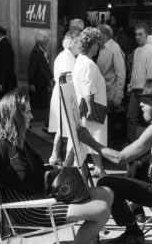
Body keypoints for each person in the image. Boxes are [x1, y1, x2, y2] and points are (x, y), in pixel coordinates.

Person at [0, 92, 115, 244]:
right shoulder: (5, 146)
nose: (31, 116)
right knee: (102, 209)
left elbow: (36, 170)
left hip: (40, 196)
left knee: (107, 193)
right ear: (15, 116)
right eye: (27, 112)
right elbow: (27, 183)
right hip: (28, 210)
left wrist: (58, 172)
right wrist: (57, 178)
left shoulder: (16, 139)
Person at [78, 79, 152, 244]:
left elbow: (119, 158)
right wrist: (138, 163)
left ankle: (133, 233)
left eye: (145, 101)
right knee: (133, 161)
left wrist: (89, 141)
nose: (140, 104)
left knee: (105, 183)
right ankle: (136, 212)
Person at [73, 27, 108, 177]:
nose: (99, 47)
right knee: (93, 138)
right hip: (91, 107)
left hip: (84, 106)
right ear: (91, 43)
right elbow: (89, 89)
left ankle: (97, 167)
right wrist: (91, 110)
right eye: (97, 44)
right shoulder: (88, 64)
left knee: (90, 138)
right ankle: (77, 169)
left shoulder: (80, 60)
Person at [48, 31, 80, 165]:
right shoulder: (67, 57)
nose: (80, 45)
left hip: (62, 93)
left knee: (63, 128)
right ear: (72, 42)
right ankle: (68, 160)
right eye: (79, 42)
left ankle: (55, 155)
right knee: (69, 127)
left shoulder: (65, 55)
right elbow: (67, 80)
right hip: (65, 94)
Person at [126, 23, 152, 144]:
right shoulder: (137, 51)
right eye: (136, 34)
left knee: (146, 118)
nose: (138, 37)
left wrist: (149, 93)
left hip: (145, 90)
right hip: (135, 89)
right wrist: (130, 86)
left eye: (141, 34)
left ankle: (147, 145)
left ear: (147, 35)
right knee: (131, 117)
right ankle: (131, 143)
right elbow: (134, 70)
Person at [0, 23, 18, 118]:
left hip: (4, 84)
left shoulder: (3, 45)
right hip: (4, 82)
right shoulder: (3, 43)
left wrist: (0, 83)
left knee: (2, 105)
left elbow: (3, 65)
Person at [28, 30, 54, 127]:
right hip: (38, 83)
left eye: (47, 40)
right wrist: (31, 83)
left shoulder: (41, 51)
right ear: (39, 41)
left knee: (45, 103)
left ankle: (47, 122)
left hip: (42, 82)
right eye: (45, 40)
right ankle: (31, 122)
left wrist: (51, 78)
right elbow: (31, 68)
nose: (47, 42)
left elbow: (46, 67)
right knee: (37, 104)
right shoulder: (36, 51)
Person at [97, 24, 126, 111]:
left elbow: (121, 75)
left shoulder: (115, 49)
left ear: (103, 36)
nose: (95, 39)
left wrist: (118, 97)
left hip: (111, 97)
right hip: (103, 94)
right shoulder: (102, 48)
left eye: (96, 36)